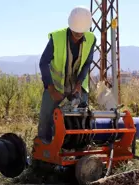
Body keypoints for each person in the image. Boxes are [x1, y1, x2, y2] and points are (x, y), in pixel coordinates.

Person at [38, 6, 97, 143]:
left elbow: (87, 63)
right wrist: (51, 89)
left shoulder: (91, 39)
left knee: (80, 119)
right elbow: (43, 63)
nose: (78, 36)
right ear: (70, 26)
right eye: (75, 32)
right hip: (55, 85)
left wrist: (78, 84)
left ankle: (77, 147)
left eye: (81, 33)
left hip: (77, 85)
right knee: (47, 117)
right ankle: (43, 151)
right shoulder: (57, 38)